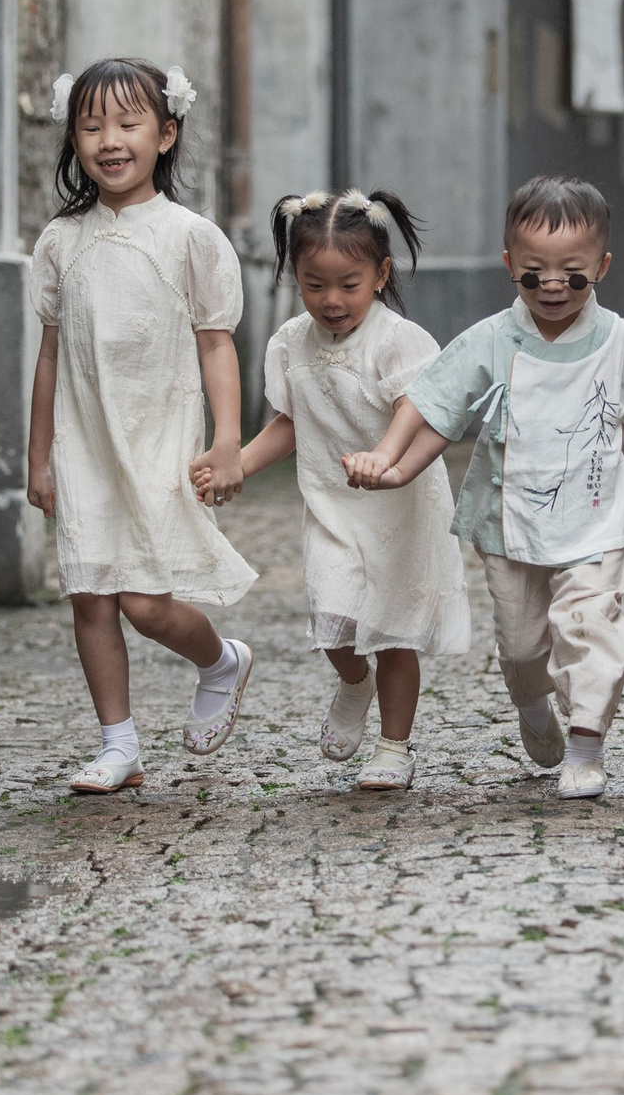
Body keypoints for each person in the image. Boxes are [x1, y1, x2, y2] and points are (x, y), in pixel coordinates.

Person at [344, 177, 624, 801]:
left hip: (594, 519)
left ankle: (586, 743)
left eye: (573, 276)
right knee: (522, 648)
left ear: (601, 266)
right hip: (509, 519)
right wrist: (391, 458)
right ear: (509, 266)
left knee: (590, 625)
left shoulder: (618, 338)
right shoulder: (493, 338)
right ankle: (534, 706)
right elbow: (435, 402)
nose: (553, 286)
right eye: (534, 274)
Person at [27, 58, 258, 795]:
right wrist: (41, 458)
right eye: (91, 125)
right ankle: (118, 743)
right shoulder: (63, 240)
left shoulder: (190, 236)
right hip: (86, 441)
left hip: (161, 437)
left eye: (128, 123)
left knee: (145, 601)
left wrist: (226, 440)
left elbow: (216, 340)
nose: (109, 139)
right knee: (90, 593)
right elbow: (51, 352)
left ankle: (221, 659)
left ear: (166, 133)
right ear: (73, 136)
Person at [194, 190, 469, 791]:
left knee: (393, 631)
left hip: (399, 505)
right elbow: (292, 422)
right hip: (331, 504)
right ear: (295, 277)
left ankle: (395, 746)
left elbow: (417, 407)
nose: (332, 300)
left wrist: (384, 456)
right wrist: (235, 463)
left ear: (381, 274)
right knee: (333, 618)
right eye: (315, 284)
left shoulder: (399, 340)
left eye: (349, 283)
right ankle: (353, 682)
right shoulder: (291, 342)